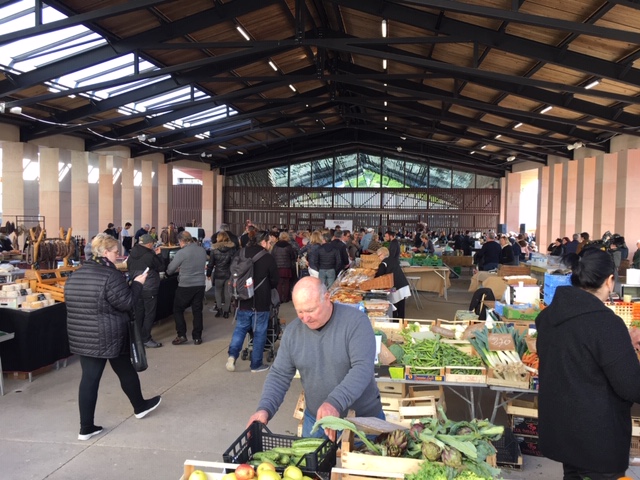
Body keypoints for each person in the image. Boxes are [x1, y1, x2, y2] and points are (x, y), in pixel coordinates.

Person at [536, 249, 640, 479]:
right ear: (609, 280)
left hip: (563, 432)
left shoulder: (548, 317)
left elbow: (576, 357)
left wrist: (623, 344)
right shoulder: (606, 324)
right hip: (598, 441)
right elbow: (632, 387)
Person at [246, 277, 384, 441]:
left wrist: (334, 403)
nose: (305, 318)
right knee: (311, 466)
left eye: (310, 310)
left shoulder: (356, 322)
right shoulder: (293, 332)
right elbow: (279, 375)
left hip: (362, 421)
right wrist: (265, 409)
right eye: (300, 312)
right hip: (316, 421)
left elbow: (362, 369)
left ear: (327, 298)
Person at [64, 233, 161, 441]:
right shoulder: (110, 275)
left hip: (84, 336)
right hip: (110, 335)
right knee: (125, 370)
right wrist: (137, 283)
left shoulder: (77, 275)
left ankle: (86, 427)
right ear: (106, 252)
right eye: (117, 252)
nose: (120, 255)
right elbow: (127, 303)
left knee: (89, 380)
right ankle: (140, 406)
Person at [226, 230, 279, 373]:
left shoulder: (241, 253)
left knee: (240, 328)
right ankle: (256, 365)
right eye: (269, 242)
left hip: (242, 299)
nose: (270, 244)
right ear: (263, 242)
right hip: (261, 301)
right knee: (260, 332)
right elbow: (275, 281)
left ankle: (232, 356)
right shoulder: (268, 258)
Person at [166, 231, 208, 345]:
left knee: (178, 309)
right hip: (200, 284)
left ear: (181, 241)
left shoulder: (181, 253)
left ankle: (181, 335)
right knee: (197, 310)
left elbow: (170, 270)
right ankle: (197, 337)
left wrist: (179, 268)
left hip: (186, 284)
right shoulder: (202, 250)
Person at [127, 234, 165, 348]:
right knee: (149, 314)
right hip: (149, 288)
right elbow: (161, 267)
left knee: (138, 314)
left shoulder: (132, 254)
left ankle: (137, 338)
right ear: (149, 244)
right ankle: (146, 338)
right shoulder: (150, 255)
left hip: (136, 287)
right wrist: (159, 255)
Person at [206, 231, 237, 318]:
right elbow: (234, 263)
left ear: (218, 238)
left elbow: (211, 263)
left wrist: (208, 274)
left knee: (218, 292)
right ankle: (226, 311)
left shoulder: (214, 250)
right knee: (227, 293)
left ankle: (219, 309)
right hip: (228, 274)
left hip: (218, 274)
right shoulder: (232, 249)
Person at [375, 247, 410, 319]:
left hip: (395, 288)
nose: (378, 258)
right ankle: (401, 322)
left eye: (379, 256)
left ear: (384, 254)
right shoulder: (393, 260)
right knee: (401, 307)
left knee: (393, 306)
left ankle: (395, 321)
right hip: (403, 285)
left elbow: (379, 275)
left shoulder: (384, 263)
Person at [271, 231, 297, 303]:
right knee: (286, 283)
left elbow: (272, 255)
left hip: (277, 267)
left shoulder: (275, 246)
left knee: (279, 283)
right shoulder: (289, 246)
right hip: (287, 267)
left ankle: (279, 298)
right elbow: (292, 256)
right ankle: (285, 298)